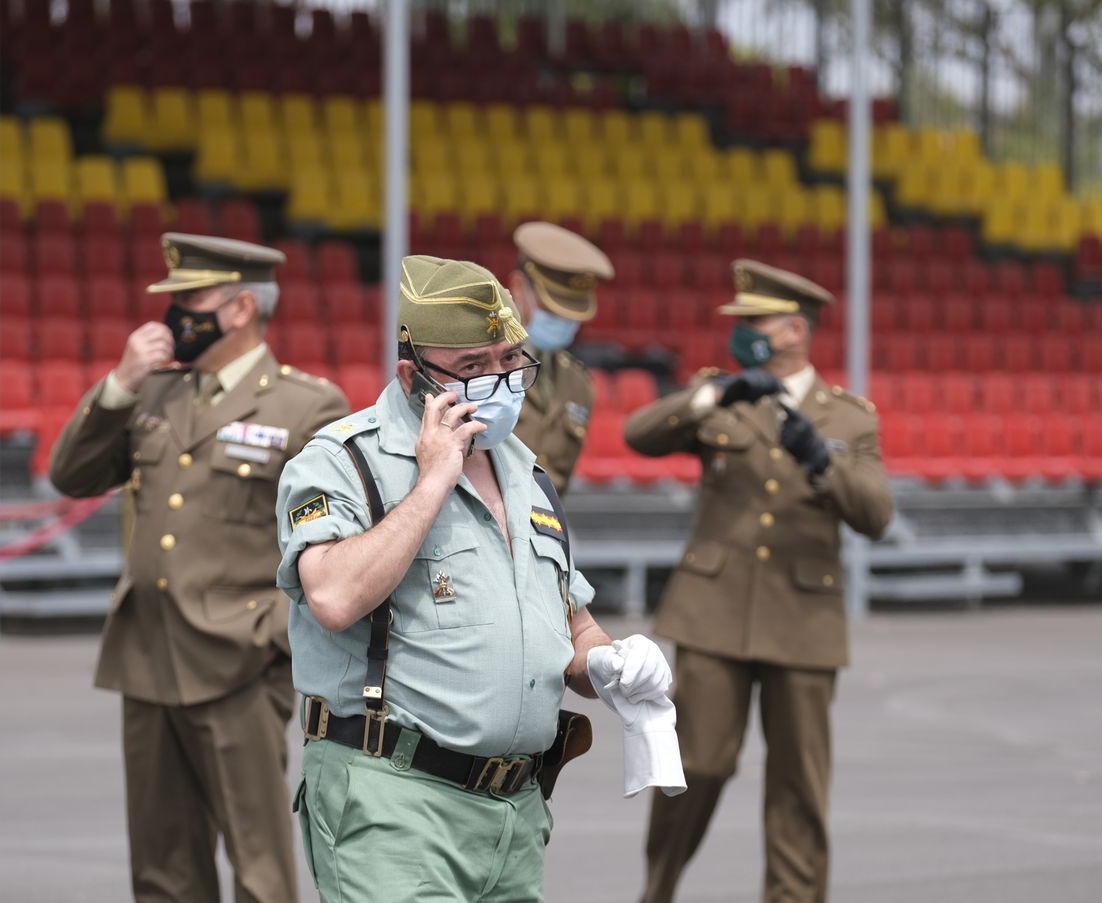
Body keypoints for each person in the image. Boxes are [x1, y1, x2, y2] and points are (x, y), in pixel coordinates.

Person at [276, 254, 672, 901]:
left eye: (510, 360)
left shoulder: (522, 468)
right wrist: (433, 477)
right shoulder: (345, 460)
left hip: (513, 817)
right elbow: (333, 594)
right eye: (472, 368)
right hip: (392, 800)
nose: (501, 380)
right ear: (411, 375)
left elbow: (570, 620)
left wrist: (609, 663)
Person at [48, 233, 348, 903]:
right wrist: (119, 384)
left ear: (241, 308)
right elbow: (70, 473)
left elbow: (334, 545)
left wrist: (272, 631)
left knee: (259, 868)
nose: (175, 311)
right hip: (148, 655)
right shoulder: (154, 392)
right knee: (161, 870)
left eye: (191, 298)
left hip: (237, 663)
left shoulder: (305, 405)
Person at [625, 260, 894, 902]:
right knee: (696, 765)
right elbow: (640, 435)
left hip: (802, 620)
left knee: (798, 783)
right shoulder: (720, 392)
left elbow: (877, 514)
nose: (743, 332)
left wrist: (821, 461)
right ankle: (656, 890)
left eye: (756, 322)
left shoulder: (848, 419)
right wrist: (714, 396)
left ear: (796, 330)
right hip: (714, 613)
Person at [506, 221, 614, 494]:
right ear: (518, 289)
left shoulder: (578, 384)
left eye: (571, 313)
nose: (563, 321)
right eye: (551, 309)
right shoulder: (477, 368)